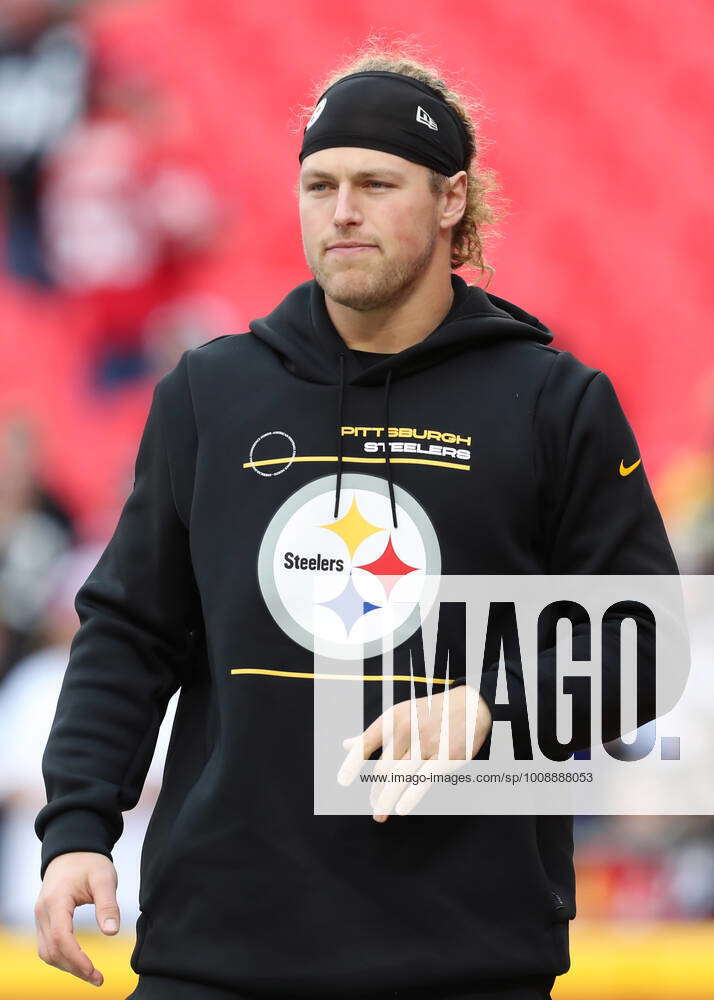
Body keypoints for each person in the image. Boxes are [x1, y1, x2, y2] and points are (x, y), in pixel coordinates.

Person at [33, 51, 679, 1000]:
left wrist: (493, 705)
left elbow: (644, 637)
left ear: (452, 200)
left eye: (376, 183)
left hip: (467, 954)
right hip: (218, 946)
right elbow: (129, 631)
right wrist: (77, 828)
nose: (342, 211)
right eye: (319, 184)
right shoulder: (212, 393)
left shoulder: (555, 401)